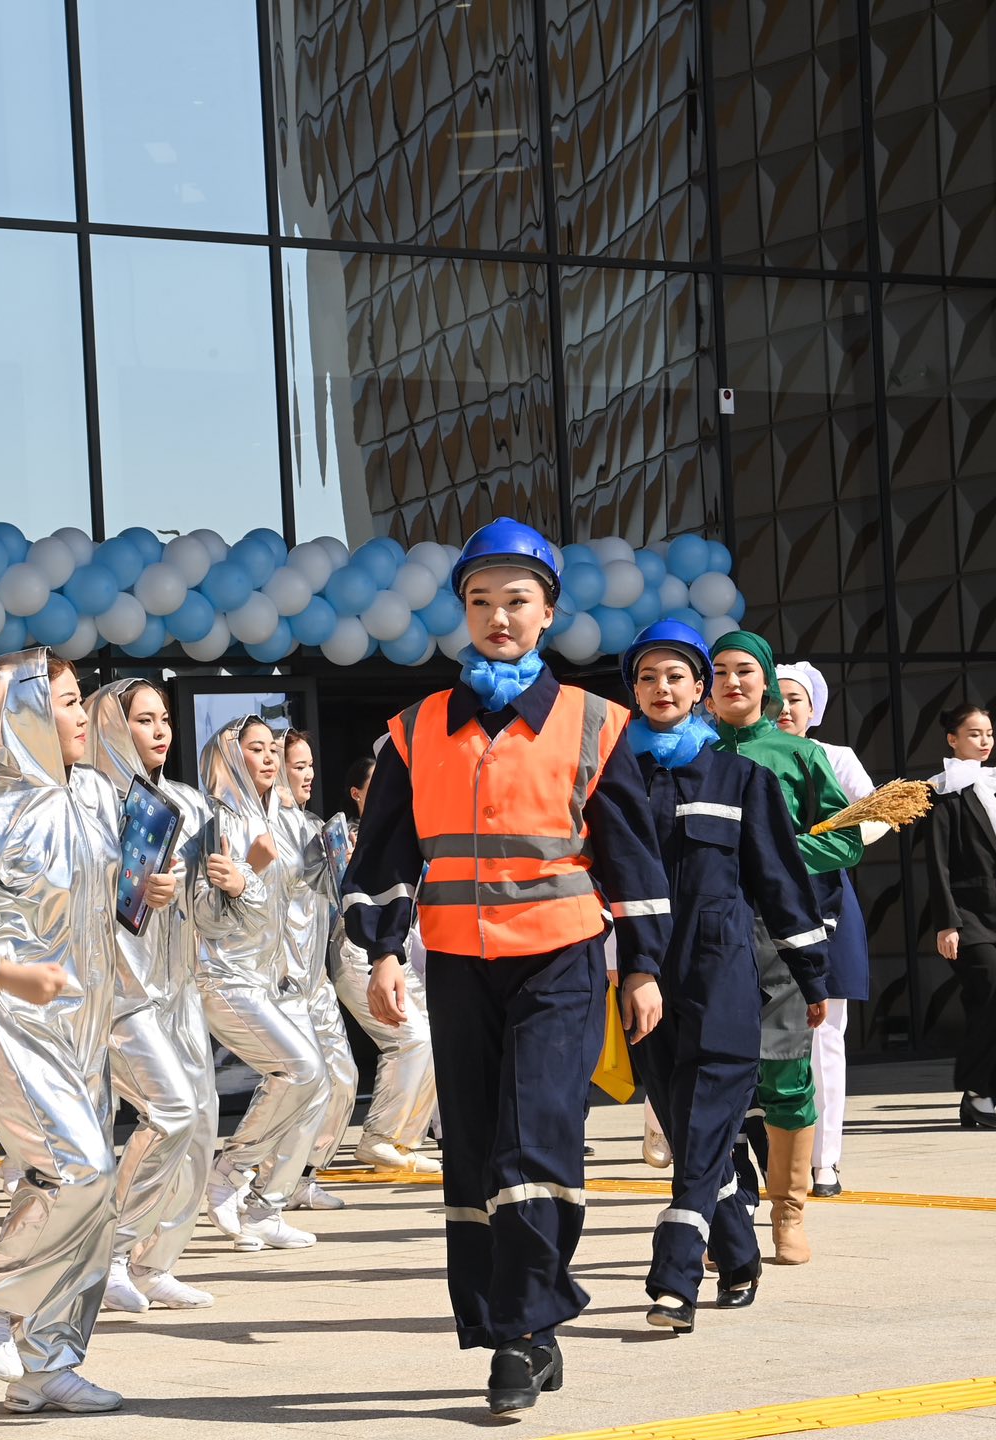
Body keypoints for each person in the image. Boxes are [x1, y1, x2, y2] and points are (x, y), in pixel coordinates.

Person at [342, 517, 672, 1416]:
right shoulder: (415, 731)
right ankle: (504, 1320)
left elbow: (636, 864)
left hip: (560, 963)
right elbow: (381, 861)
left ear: (547, 613)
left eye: (516, 602)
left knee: (535, 1140)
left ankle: (526, 1332)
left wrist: (642, 969)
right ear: (463, 612)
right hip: (455, 964)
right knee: (477, 1149)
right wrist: (380, 954)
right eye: (480, 602)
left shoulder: (596, 723)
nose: (498, 617)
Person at [0, 649, 159, 1414]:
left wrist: (149, 893)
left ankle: (47, 1362)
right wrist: (8, 975)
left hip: (86, 1025)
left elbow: (107, 907)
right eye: (66, 701)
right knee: (81, 1171)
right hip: (10, 1021)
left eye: (82, 700)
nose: (83, 715)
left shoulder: (92, 796)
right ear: (19, 715)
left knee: (93, 1197)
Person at [622, 621, 827, 1332]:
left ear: (700, 691)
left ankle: (675, 1275)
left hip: (723, 978)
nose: (661, 689)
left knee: (708, 1119)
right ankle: (738, 1254)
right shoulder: (616, 778)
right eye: (648, 678)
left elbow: (781, 884)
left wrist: (811, 975)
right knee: (688, 1129)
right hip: (644, 982)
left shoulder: (744, 779)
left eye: (675, 677)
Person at [707, 631, 859, 1265]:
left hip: (783, 933)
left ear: (766, 683)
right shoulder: (689, 752)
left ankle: (788, 1211)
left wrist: (779, 854)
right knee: (716, 1079)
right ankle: (726, 1216)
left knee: (787, 1072)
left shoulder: (799, 755)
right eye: (719, 672)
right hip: (708, 934)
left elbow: (848, 840)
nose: (733, 682)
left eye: (746, 671)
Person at [85, 678, 219, 1312]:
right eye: (144, 719)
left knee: (200, 1126)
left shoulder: (187, 805)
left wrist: (230, 881)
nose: (161, 730)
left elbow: (207, 911)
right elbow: (68, 900)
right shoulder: (85, 803)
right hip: (119, 991)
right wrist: (127, 890)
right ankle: (106, 1255)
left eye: (164, 718)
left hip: (178, 991)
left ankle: (155, 1261)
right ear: (114, 727)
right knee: (170, 1112)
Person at [196, 715, 328, 1251]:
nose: (270, 757)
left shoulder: (285, 821)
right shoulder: (213, 821)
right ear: (230, 759)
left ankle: (265, 1206)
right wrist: (248, 870)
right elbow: (205, 917)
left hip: (276, 979)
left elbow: (302, 899)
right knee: (303, 1070)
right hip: (223, 977)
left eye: (274, 748)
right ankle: (229, 1169)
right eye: (257, 749)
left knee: (319, 1084)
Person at [775, 661, 881, 1197]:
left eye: (796, 698)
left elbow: (878, 817)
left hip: (825, 901)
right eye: (777, 697)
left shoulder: (835, 758)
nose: (785, 707)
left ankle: (826, 1161)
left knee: (825, 1037)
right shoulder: (747, 755)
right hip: (759, 907)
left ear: (814, 708)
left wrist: (815, 840)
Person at [922, 704, 996, 1131]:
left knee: (989, 1004)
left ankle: (981, 1101)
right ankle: (973, 1087)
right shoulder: (942, 790)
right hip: (966, 916)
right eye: (973, 734)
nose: (984, 741)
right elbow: (937, 862)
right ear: (952, 739)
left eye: (988, 733)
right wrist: (946, 922)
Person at [330, 757, 439, 1174]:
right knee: (410, 1037)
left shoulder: (406, 832)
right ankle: (379, 1136)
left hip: (397, 952)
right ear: (357, 795)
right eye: (375, 784)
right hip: (356, 951)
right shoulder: (340, 836)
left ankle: (403, 1141)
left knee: (433, 1035)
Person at [274, 729, 359, 1212]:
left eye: (309, 765)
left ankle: (303, 1174)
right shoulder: (259, 826)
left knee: (343, 1077)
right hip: (279, 977)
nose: (307, 774)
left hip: (315, 976)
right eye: (296, 765)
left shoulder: (312, 825)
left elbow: (334, 898)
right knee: (301, 1081)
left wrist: (343, 857)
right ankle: (266, 1181)